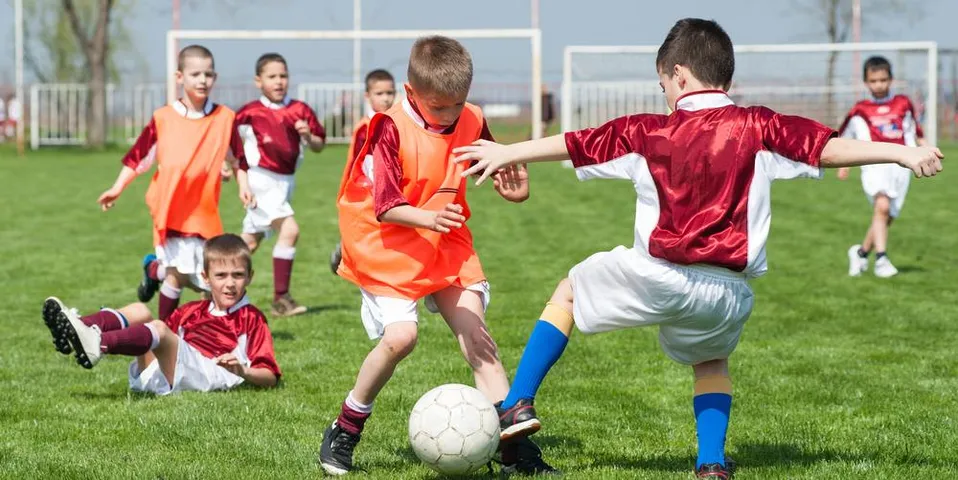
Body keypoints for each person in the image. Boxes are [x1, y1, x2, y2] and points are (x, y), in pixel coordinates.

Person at [451, 18, 943, 479]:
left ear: (680, 76)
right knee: (710, 363)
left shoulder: (648, 130)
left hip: (660, 273)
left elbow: (577, 143)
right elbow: (828, 148)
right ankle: (711, 464)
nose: (662, 92)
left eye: (662, 82)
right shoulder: (760, 126)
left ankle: (517, 402)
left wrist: (509, 151)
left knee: (569, 292)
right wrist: (902, 152)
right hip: (728, 292)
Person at [319, 35, 555, 477]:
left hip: (444, 239)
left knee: (477, 337)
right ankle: (346, 426)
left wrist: (515, 189)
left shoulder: (472, 118)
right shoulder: (388, 128)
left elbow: (494, 164)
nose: (450, 116)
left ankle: (515, 454)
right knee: (401, 339)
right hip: (386, 244)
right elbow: (387, 204)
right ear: (411, 93)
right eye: (438, 107)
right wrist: (427, 219)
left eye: (457, 105)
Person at [105, 45, 252, 320]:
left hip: (204, 211)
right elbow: (138, 157)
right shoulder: (164, 118)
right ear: (179, 77)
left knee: (205, 278)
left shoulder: (224, 118)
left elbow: (238, 159)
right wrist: (117, 188)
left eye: (208, 74)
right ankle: (165, 331)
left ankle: (157, 276)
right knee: (177, 275)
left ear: (215, 77)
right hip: (169, 208)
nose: (202, 80)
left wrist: (244, 186)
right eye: (195, 73)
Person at [42, 234, 281, 395]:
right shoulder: (192, 311)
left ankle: (98, 342)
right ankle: (77, 327)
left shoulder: (252, 318)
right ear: (205, 278)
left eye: (237, 275)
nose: (230, 283)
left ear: (250, 276)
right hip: (171, 372)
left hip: (212, 373)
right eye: (221, 276)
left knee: (158, 327)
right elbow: (155, 340)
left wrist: (243, 371)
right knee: (141, 311)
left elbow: (270, 375)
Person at [232, 53, 326, 316]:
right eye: (272, 76)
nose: (279, 81)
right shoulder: (250, 112)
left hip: (286, 183)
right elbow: (229, 143)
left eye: (283, 76)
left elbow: (320, 145)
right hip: (261, 180)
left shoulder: (300, 109)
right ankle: (281, 299)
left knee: (249, 242)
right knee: (290, 230)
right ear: (258, 81)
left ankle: (212, 279)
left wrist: (308, 136)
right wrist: (230, 170)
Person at [837, 56, 927, 278]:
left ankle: (860, 253)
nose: (879, 85)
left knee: (887, 217)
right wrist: (844, 164)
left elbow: (915, 132)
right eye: (874, 80)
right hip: (874, 165)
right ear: (866, 82)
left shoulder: (903, 104)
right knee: (882, 207)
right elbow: (843, 137)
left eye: (883, 80)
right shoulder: (860, 110)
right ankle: (881, 260)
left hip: (901, 168)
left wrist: (926, 149)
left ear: (891, 80)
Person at [329, 68, 397, 275]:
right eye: (380, 94)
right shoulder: (365, 128)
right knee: (373, 238)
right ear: (367, 96)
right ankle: (345, 249)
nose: (385, 99)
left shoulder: (397, 123)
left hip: (391, 189)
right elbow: (358, 165)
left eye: (389, 93)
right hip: (368, 192)